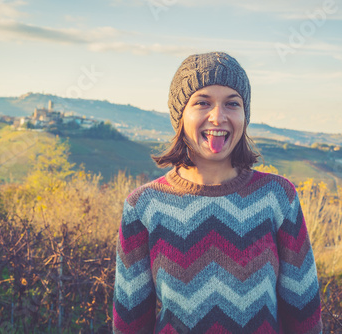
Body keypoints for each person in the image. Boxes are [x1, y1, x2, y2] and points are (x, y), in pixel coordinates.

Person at [113, 51, 322, 333]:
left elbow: (304, 314)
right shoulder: (143, 205)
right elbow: (130, 322)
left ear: (244, 116)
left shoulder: (277, 196)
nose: (218, 117)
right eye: (202, 102)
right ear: (180, 115)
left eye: (232, 104)